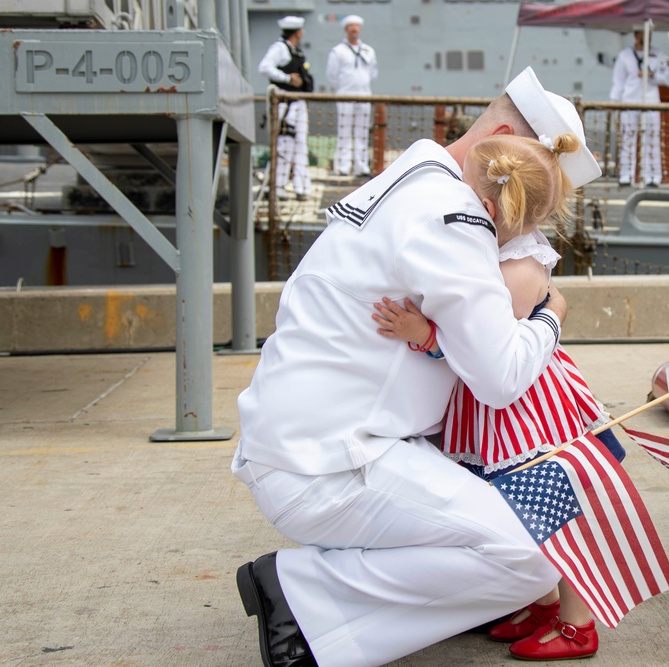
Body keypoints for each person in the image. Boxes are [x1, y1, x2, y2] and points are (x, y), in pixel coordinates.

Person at [232, 66, 602, 667]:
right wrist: (550, 317)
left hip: (307, 444)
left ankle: (320, 604)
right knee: (533, 556)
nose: (524, 222)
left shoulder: (417, 173)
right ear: (502, 141)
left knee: (511, 539)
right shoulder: (454, 215)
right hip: (335, 462)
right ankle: (301, 593)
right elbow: (501, 377)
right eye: (525, 200)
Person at [371, 134, 626, 661]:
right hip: (507, 403)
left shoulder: (516, 271)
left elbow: (489, 355)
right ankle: (541, 601)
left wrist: (426, 336)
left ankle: (579, 622)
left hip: (528, 410)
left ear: (485, 207)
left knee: (552, 503)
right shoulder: (516, 256)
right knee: (518, 503)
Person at [258, 16, 314, 201]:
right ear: (298, 32)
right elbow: (265, 67)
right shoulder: (280, 48)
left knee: (300, 145)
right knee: (284, 146)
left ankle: (302, 187)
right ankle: (278, 188)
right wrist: (286, 78)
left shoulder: (295, 51)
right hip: (285, 104)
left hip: (298, 102)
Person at [610, 26, 669, 187]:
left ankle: (652, 176)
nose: (648, 38)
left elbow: (664, 78)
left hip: (650, 101)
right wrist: (614, 102)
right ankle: (626, 175)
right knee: (628, 139)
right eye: (645, 34)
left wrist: (652, 75)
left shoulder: (658, 55)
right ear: (637, 35)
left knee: (652, 138)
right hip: (629, 101)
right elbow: (618, 82)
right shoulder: (625, 56)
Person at [326, 14, 377, 177]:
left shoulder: (368, 51)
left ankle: (361, 166)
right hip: (345, 96)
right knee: (344, 131)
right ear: (346, 29)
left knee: (362, 132)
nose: (354, 29)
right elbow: (331, 75)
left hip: (364, 95)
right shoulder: (338, 51)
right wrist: (343, 88)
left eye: (356, 26)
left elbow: (373, 72)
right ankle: (343, 165)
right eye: (351, 27)